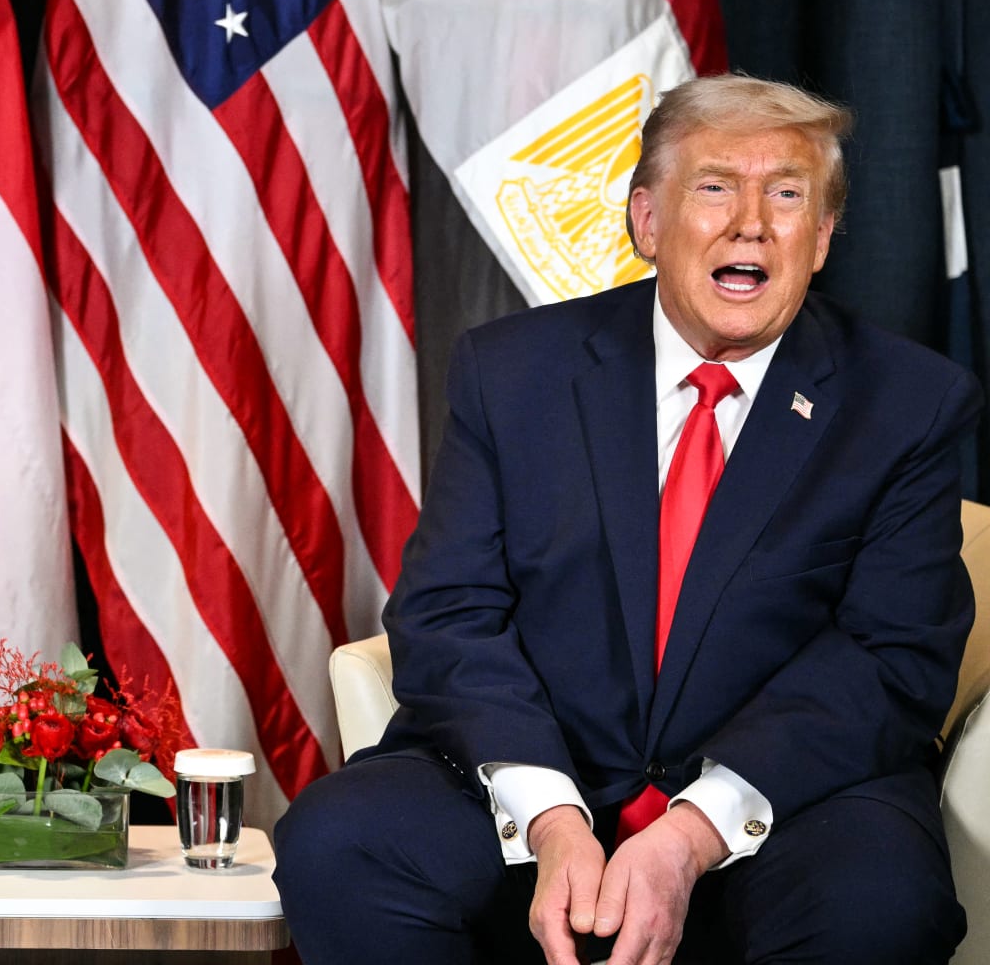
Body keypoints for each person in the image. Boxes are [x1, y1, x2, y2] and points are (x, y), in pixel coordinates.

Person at [274, 75, 976, 964]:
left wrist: (692, 833)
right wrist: (551, 818)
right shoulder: (512, 373)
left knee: (881, 902)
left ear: (825, 236)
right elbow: (449, 613)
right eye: (715, 186)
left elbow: (892, 656)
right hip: (541, 778)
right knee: (339, 843)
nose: (751, 224)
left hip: (783, 805)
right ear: (646, 220)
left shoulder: (907, 404)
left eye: (787, 194)